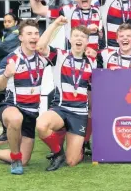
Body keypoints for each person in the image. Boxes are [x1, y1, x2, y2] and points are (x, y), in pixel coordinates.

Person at [0, 20, 48, 175]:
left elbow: (49, 39)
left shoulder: (42, 57)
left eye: (36, 33)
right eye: (29, 34)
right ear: (20, 37)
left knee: (25, 159)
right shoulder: (11, 59)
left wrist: (57, 23)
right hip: (11, 106)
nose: (34, 37)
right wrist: (6, 74)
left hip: (31, 112)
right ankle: (15, 159)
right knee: (15, 119)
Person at [36, 16, 93, 171]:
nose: (79, 39)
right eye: (76, 36)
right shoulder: (60, 55)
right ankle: (57, 151)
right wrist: (55, 24)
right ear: (70, 39)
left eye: (83, 37)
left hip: (79, 113)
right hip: (61, 108)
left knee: (72, 161)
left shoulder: (92, 62)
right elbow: (40, 47)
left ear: (87, 42)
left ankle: (76, 145)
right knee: (41, 125)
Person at [30, 0, 101, 58]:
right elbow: (38, 9)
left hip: (95, 58)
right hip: (72, 58)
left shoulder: (100, 11)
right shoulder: (67, 10)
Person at [0, 13, 21, 142]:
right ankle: (6, 131)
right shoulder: (7, 34)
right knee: (2, 100)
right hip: (4, 71)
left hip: (11, 73)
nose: (6, 24)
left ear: (16, 22)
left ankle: (8, 131)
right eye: (4, 21)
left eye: (9, 21)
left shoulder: (15, 34)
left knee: (5, 102)